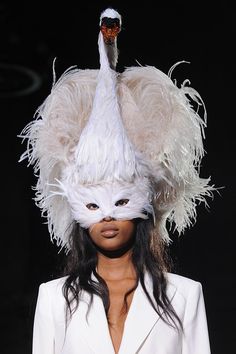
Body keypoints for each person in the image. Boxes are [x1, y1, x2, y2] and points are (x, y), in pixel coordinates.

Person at [19, 7, 214, 354]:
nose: (107, 216)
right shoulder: (53, 300)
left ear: (141, 205)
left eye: (120, 200)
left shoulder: (184, 296)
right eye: (94, 203)